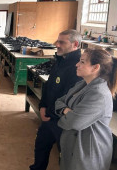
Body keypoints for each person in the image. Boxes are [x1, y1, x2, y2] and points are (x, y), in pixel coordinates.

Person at [55, 48, 117, 170]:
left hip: (87, 151)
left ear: (95, 67)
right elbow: (59, 102)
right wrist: (66, 111)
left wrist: (68, 114)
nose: (77, 64)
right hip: (74, 145)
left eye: (82, 62)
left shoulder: (98, 94)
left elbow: (75, 122)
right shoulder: (82, 84)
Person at [29, 29, 82, 170]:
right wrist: (42, 106)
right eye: (58, 41)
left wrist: (54, 113)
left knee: (65, 156)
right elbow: (49, 85)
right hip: (50, 117)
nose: (57, 45)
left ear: (75, 44)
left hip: (63, 121)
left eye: (62, 42)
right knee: (41, 145)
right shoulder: (60, 60)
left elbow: (70, 98)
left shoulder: (78, 67)